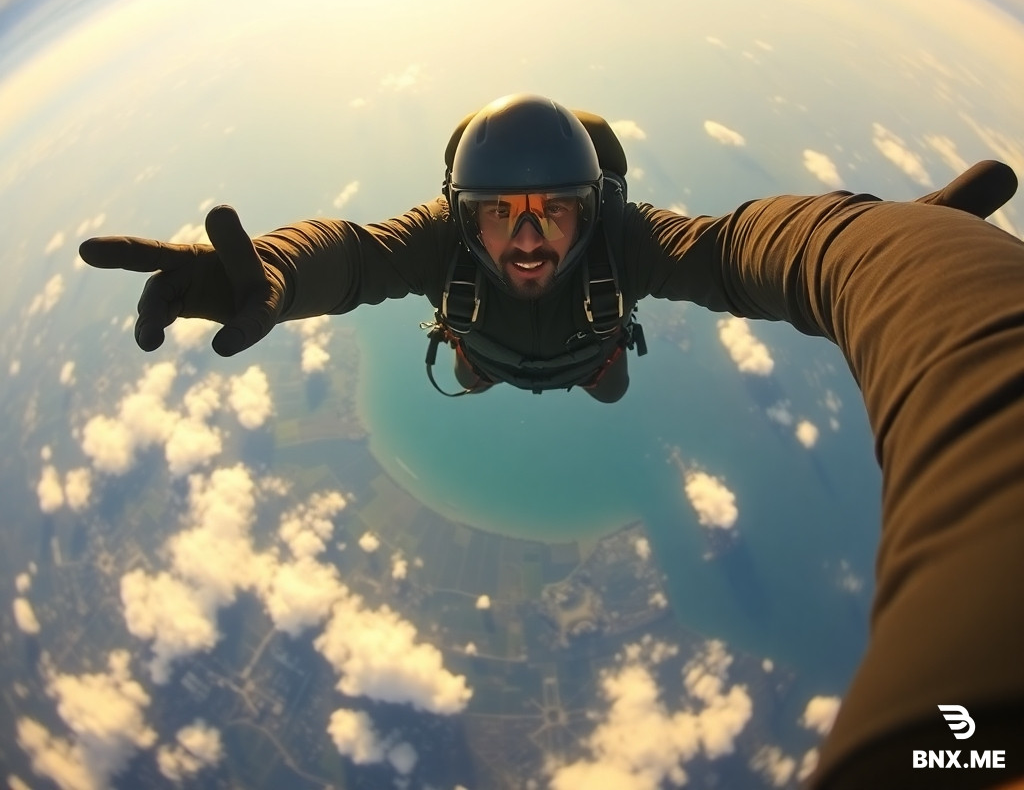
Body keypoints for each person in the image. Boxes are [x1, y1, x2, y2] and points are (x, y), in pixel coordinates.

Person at [80, 93, 1024, 788]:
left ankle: (573, 365)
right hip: (503, 353)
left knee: (602, 381)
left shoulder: (626, 240)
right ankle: (537, 364)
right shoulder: (439, 243)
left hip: (581, 355)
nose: (529, 238)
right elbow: (355, 255)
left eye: (555, 211)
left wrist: (883, 247)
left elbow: (747, 249)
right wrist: (273, 274)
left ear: (593, 205)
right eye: (500, 213)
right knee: (514, 366)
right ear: (461, 214)